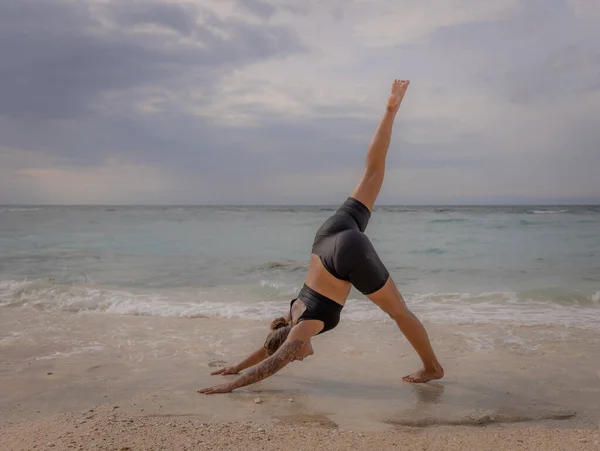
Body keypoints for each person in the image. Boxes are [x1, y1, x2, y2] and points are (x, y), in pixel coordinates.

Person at [198, 80, 444, 395]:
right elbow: (270, 348)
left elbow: (274, 360)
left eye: (295, 355)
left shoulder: (303, 327)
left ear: (291, 342)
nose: (298, 358)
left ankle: (433, 367)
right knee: (372, 174)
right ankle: (390, 110)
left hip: (347, 254)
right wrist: (236, 364)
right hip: (328, 235)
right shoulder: (290, 314)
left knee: (400, 312)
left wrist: (233, 384)